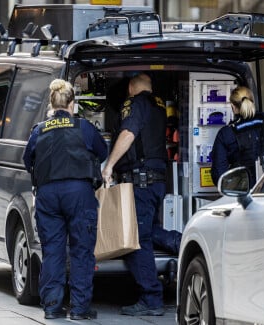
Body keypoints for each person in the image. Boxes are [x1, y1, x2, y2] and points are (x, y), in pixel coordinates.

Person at [23, 79, 108, 320]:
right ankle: (80, 310)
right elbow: (102, 152)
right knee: (81, 251)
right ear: (72, 104)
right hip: (79, 194)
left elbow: (27, 161)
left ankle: (52, 307)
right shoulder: (84, 127)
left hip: (48, 195)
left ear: (52, 103)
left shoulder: (39, 129)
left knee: (53, 251)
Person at [101, 72, 168, 317]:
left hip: (141, 182)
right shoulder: (158, 105)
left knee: (136, 241)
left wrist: (109, 165)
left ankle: (151, 298)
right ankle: (182, 243)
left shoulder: (135, 103)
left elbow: (128, 134)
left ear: (131, 87)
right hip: (156, 182)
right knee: (149, 232)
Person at [210, 85, 264, 186]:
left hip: (245, 196)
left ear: (233, 107)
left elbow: (219, 176)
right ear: (253, 102)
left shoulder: (226, 134)